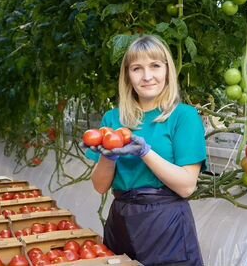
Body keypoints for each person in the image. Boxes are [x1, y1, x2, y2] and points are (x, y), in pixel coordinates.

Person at [84, 35, 207, 266]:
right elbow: (100, 186)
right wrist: (107, 157)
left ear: (167, 71)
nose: (147, 76)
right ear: (128, 76)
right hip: (121, 221)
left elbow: (187, 186)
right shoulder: (113, 118)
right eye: (137, 68)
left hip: (167, 225)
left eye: (155, 66)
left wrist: (145, 152)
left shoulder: (184, 117)